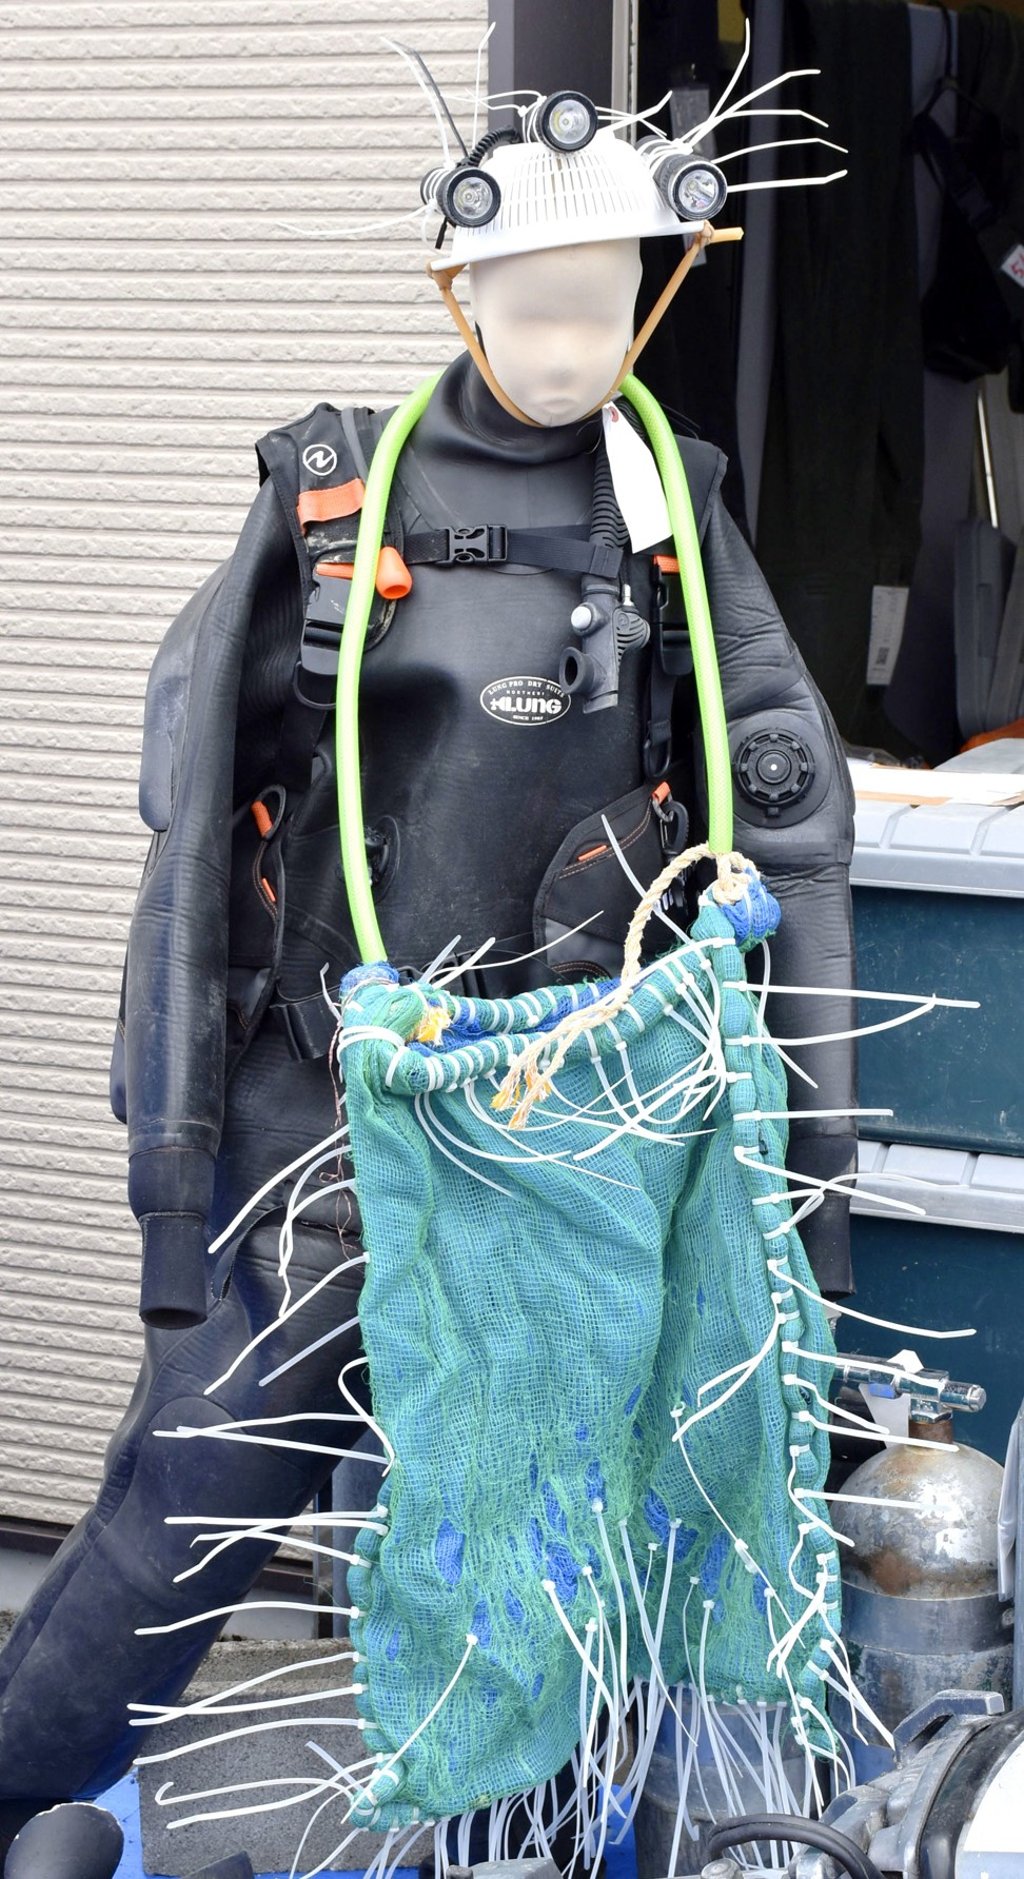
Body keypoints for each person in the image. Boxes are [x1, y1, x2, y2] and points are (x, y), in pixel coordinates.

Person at [0, 70, 855, 1859]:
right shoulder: (330, 509)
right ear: (454, 296)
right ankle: (22, 1784)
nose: (569, 341)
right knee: (193, 1505)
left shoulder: (674, 515)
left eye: (606, 303)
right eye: (531, 305)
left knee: (551, 1522)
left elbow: (788, 830)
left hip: (584, 1137)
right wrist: (174, 1176)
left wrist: (809, 1182)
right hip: (332, 1129)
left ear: (659, 294)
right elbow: (187, 871)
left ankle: (522, 1829)